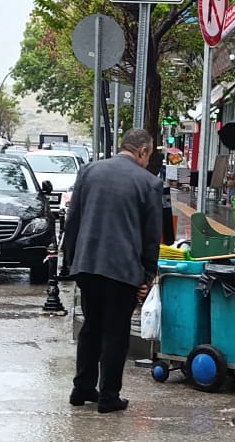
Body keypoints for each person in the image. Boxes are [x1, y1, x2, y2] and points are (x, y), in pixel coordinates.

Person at [62, 127, 162, 413]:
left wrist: (71, 261)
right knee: (115, 332)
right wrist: (147, 276)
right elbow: (151, 237)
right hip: (123, 269)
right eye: (148, 156)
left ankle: (82, 388)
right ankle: (109, 395)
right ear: (143, 151)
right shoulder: (149, 183)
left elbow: (73, 219)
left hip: (88, 265)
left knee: (91, 326)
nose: (147, 161)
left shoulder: (89, 171)